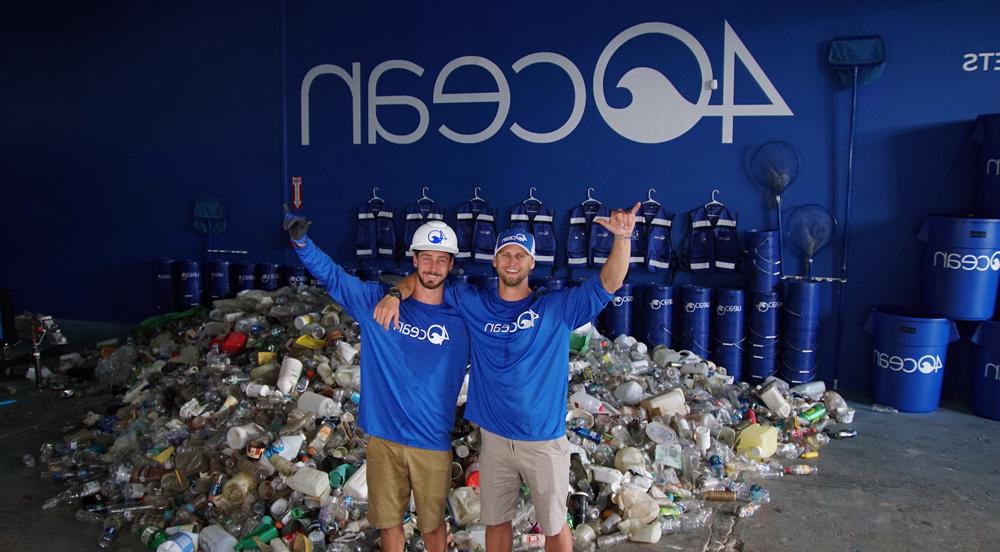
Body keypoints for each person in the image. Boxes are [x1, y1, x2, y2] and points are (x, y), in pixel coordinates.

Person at [374, 203, 640, 552]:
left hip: (542, 441)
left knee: (555, 526)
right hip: (495, 440)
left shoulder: (556, 308)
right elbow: (427, 280)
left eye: (520, 255)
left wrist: (622, 238)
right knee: (495, 523)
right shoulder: (473, 301)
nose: (512, 261)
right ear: (495, 262)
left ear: (532, 262)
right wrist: (394, 295)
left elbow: (610, 281)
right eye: (506, 254)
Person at [283, 205, 469, 552]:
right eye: (426, 258)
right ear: (414, 260)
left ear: (451, 265)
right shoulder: (374, 303)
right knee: (389, 525)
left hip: (432, 442)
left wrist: (398, 290)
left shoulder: (462, 316)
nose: (433, 267)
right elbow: (334, 277)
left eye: (441, 260)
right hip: (384, 438)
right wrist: (302, 242)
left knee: (433, 529)